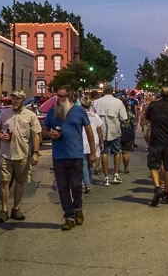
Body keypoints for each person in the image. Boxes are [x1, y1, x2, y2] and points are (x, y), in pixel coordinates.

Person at [43, 86, 97, 230]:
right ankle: (69, 216)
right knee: (62, 188)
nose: (59, 99)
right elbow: (44, 130)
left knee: (76, 185)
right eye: (57, 96)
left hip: (76, 154)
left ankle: (78, 208)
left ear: (71, 97)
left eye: (62, 97)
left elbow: (90, 132)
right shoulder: (52, 113)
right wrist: (50, 134)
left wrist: (93, 152)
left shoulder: (79, 112)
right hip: (59, 156)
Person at [0, 90, 43, 224]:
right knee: (4, 182)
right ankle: (4, 210)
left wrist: (36, 153)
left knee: (20, 182)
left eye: (17, 99)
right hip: (5, 153)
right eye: (13, 99)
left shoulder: (30, 115)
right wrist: (0, 135)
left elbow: (36, 134)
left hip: (22, 154)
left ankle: (16, 208)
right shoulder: (4, 114)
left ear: (23, 100)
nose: (14, 101)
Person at [145, 86, 168, 207]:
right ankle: (166, 195)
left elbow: (147, 119)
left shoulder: (153, 105)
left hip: (155, 140)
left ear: (160, 94)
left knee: (153, 166)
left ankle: (157, 187)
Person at [94, 86, 129, 186]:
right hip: (115, 131)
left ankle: (106, 178)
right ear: (112, 92)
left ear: (104, 92)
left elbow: (92, 116)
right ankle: (116, 175)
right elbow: (124, 118)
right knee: (117, 152)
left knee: (104, 153)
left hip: (101, 131)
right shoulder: (118, 102)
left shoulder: (97, 102)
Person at [80, 95, 103, 193]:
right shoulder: (95, 116)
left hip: (83, 141)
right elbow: (99, 130)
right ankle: (87, 181)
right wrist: (102, 142)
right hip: (94, 141)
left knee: (84, 163)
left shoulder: (80, 115)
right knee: (90, 164)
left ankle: (86, 183)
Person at [119, 95, 136, 173]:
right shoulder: (129, 113)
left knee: (118, 152)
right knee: (126, 152)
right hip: (128, 133)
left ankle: (116, 169)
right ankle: (125, 169)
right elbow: (135, 123)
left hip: (117, 133)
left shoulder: (116, 113)